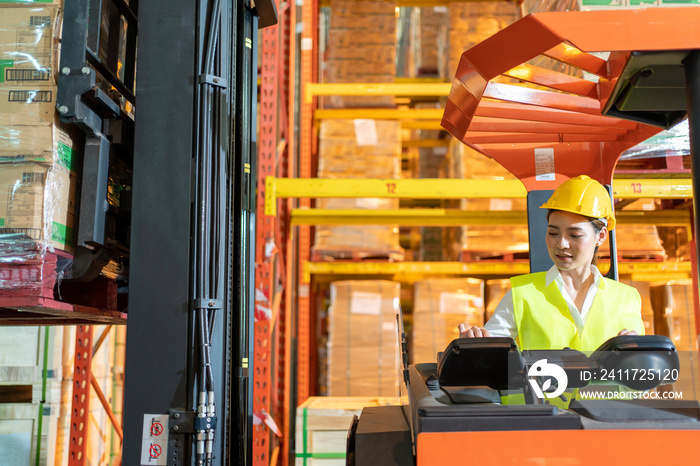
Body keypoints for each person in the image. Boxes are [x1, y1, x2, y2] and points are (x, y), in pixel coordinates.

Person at [458, 175, 644, 352]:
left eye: (575, 235)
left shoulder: (627, 299)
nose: (561, 244)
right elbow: (489, 348)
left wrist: (637, 355)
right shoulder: (521, 294)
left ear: (601, 236)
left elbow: (639, 377)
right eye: (553, 233)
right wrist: (474, 343)